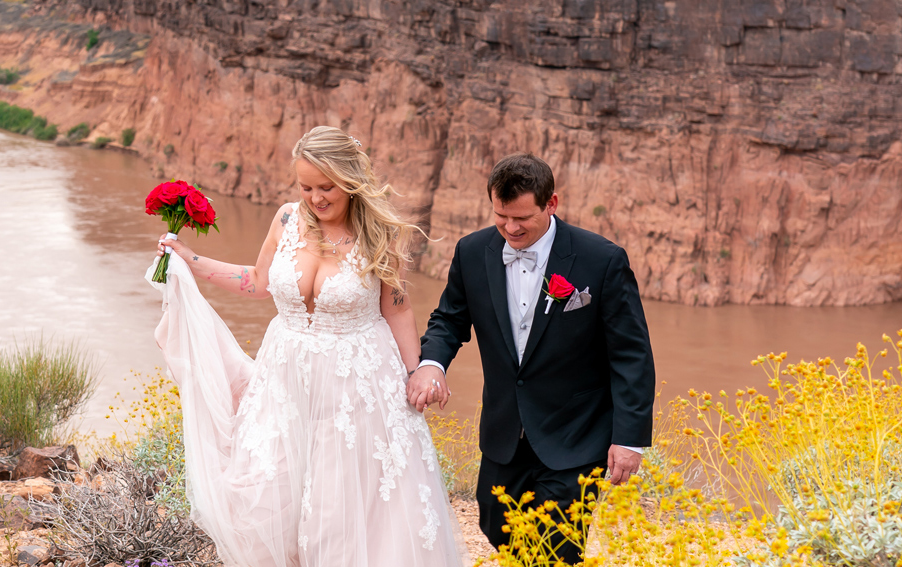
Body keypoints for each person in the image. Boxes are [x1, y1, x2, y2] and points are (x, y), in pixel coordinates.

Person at [148, 126, 464, 567]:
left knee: (345, 501)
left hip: (358, 385)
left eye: (326, 187)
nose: (315, 198)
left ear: (350, 180)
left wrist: (417, 373)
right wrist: (191, 260)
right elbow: (258, 282)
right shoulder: (285, 219)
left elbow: (397, 310)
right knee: (274, 486)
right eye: (306, 186)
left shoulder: (380, 235)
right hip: (286, 380)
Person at [408, 153, 655, 564]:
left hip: (576, 433)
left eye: (522, 217)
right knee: (494, 519)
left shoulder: (602, 259)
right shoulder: (472, 252)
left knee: (557, 543)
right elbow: (449, 320)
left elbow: (632, 353)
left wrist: (629, 439)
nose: (510, 228)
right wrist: (432, 363)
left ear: (551, 203)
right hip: (505, 429)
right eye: (501, 216)